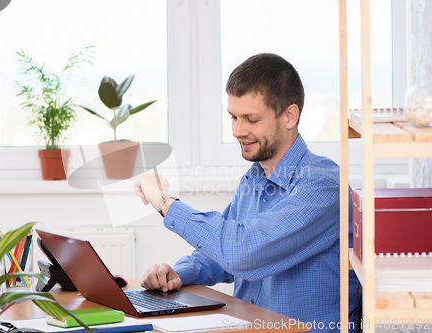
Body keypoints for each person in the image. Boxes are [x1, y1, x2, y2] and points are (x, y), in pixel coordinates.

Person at [134, 53, 361, 333]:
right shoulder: (254, 177)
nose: (237, 131)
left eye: (251, 119)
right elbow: (222, 257)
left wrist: (164, 202)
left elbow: (242, 252)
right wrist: (179, 274)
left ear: (290, 116)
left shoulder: (323, 185)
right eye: (233, 117)